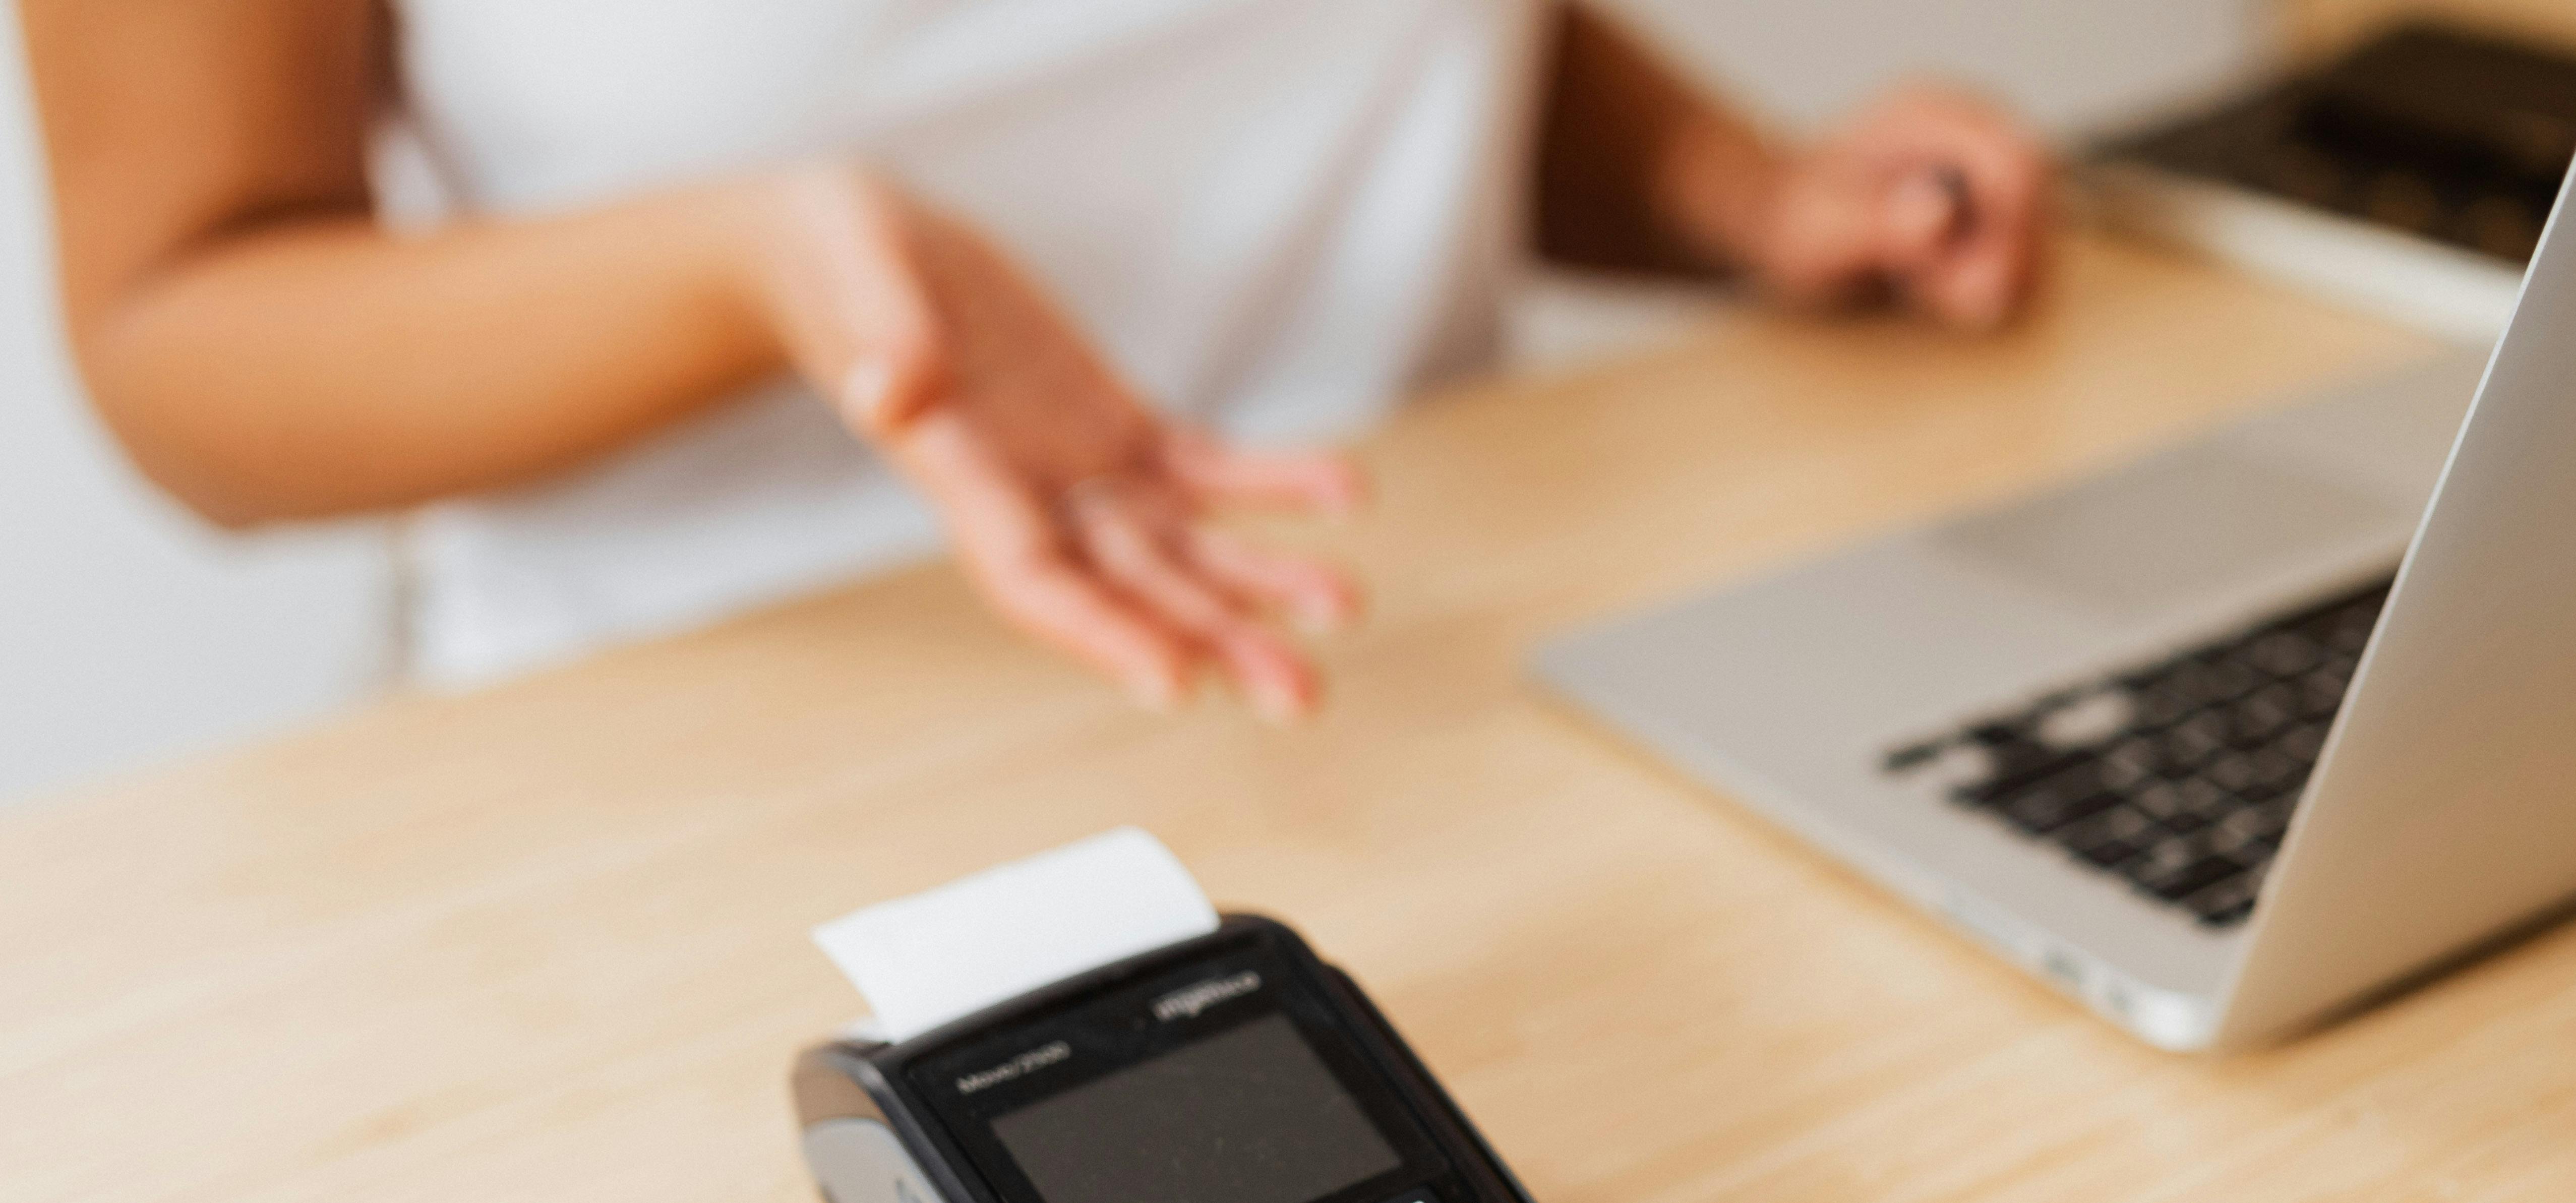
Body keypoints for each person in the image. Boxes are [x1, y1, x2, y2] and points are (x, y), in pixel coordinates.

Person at [20, 2, 2048, 713]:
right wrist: (756, 267)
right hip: (676, 787)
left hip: (1430, 658)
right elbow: (179, 332)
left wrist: (1732, 188)